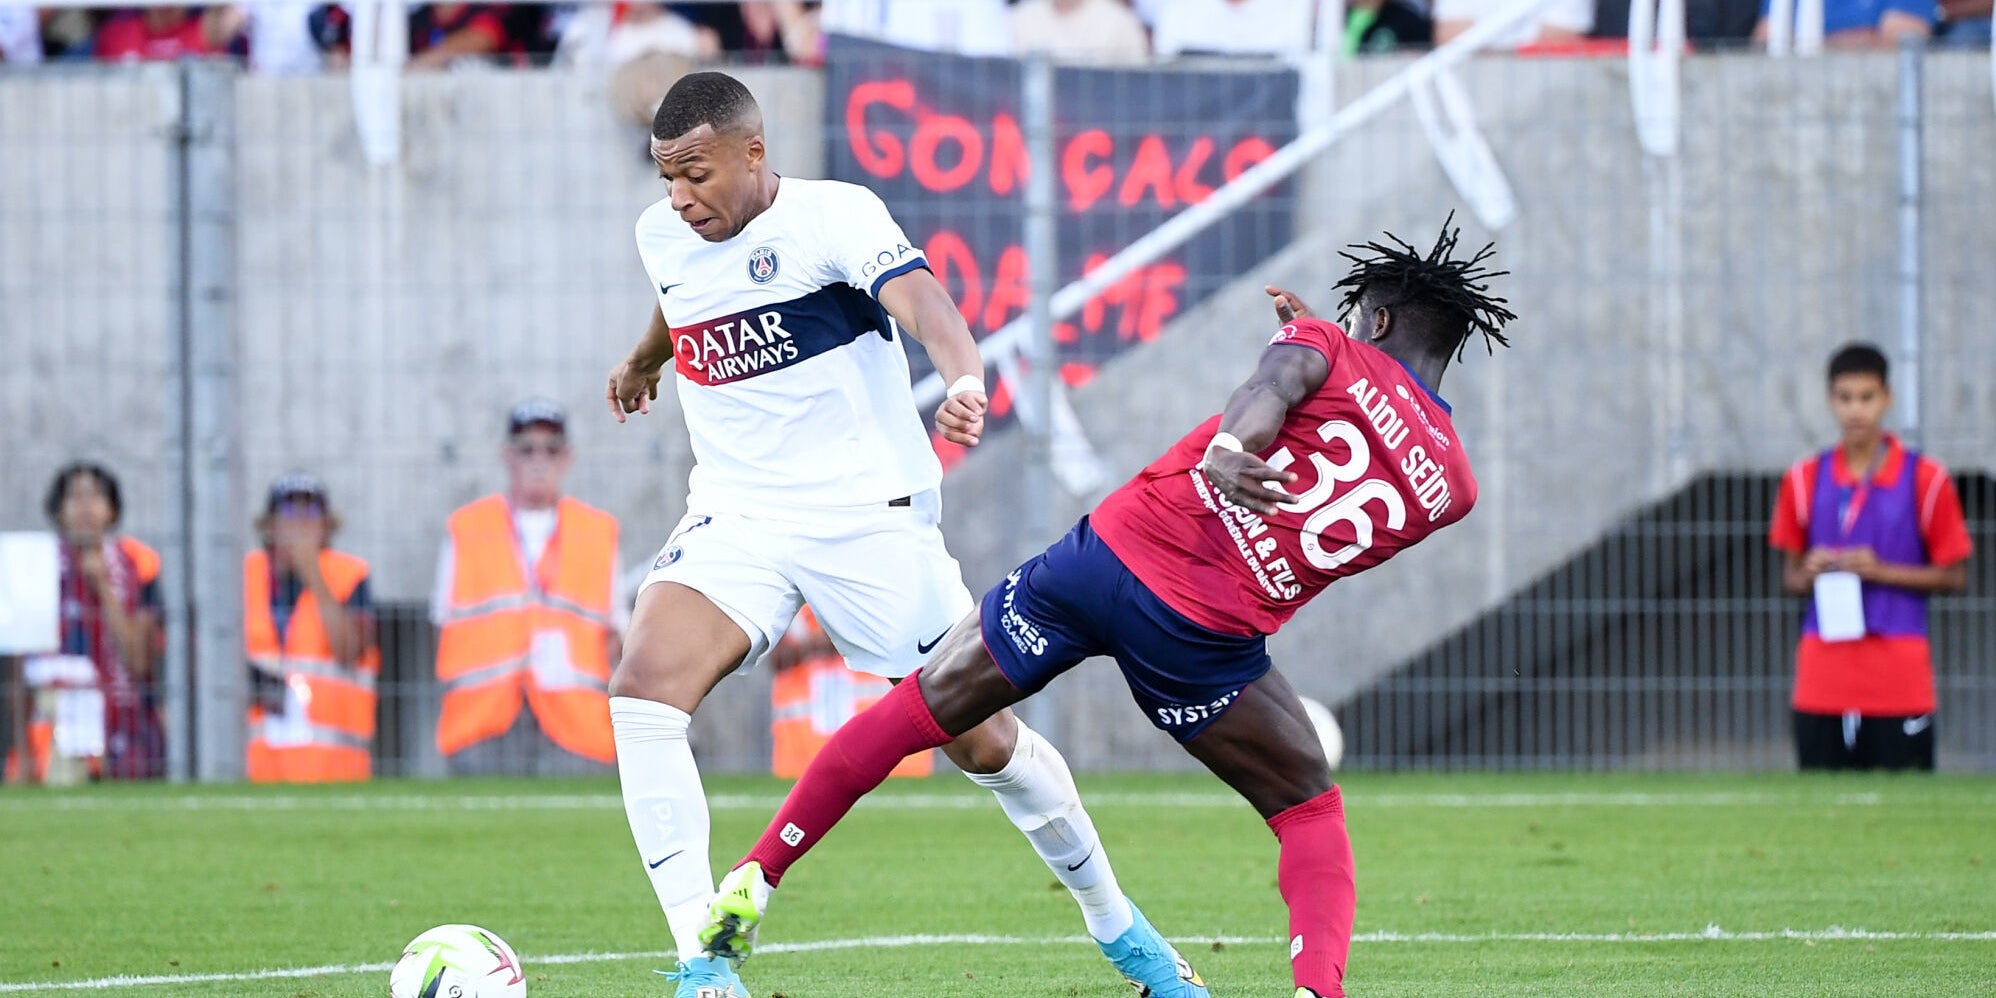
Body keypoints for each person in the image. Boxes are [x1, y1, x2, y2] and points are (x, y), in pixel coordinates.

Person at [699, 220, 1518, 998]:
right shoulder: (1455, 488)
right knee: (1310, 808)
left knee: (923, 705)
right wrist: (1321, 355)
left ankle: (758, 872)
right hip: (1201, 640)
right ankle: (1316, 988)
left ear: (1373, 315)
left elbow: (1273, 390)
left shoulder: (1324, 347)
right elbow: (1350, 424)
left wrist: (1243, 436)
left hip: (1105, 561)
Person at [603, 71, 1203, 998]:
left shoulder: (834, 218)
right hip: (738, 512)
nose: (679, 199)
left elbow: (927, 305)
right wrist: (647, 358)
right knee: (643, 693)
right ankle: (702, 966)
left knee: (985, 744)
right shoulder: (666, 233)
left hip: (865, 520)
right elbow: (678, 293)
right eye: (665, 179)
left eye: (696, 174)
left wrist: (963, 378)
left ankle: (1124, 934)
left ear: (754, 153)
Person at [1767, 343, 1972, 772]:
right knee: (1816, 811)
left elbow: (1955, 576)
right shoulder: (1802, 479)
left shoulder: (1926, 478)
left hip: (1898, 672)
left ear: (1887, 398)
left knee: (1908, 811)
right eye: (1845, 398)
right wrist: (1809, 571)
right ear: (1830, 400)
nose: (1856, 410)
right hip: (1822, 672)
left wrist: (1880, 571)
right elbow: (1789, 577)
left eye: (1867, 397)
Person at [430, 399, 625, 777]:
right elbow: (443, 626)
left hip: (574, 723)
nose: (539, 459)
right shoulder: (467, 527)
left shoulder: (599, 532)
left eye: (551, 449)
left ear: (567, 458)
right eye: (527, 449)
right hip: (484, 720)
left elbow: (615, 633)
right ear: (508, 456)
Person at [5, 463, 165, 785]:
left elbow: (139, 660)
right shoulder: (36, 567)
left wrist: (103, 586)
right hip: (51, 717)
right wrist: (21, 752)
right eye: (75, 497)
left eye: (96, 496)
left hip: (122, 724)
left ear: (112, 510)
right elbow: (16, 669)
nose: (85, 508)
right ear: (59, 510)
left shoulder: (138, 565)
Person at [244, 474, 379, 783]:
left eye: (312, 513)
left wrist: (313, 575)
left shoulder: (349, 575)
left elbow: (350, 650)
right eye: (290, 513)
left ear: (327, 526)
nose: (301, 523)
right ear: (270, 526)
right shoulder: (244, 576)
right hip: (257, 767)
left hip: (333, 767)